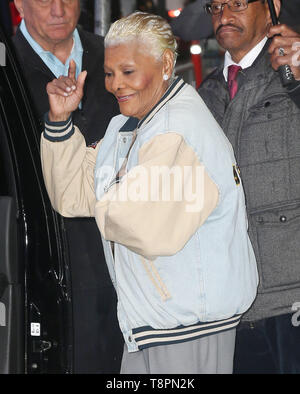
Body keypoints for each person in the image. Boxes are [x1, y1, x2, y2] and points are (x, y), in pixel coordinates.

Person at [40, 11, 258, 374]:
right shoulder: (127, 125)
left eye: (128, 72)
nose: (115, 85)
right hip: (152, 324)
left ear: (166, 64)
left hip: (187, 329)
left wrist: (112, 192)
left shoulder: (177, 125)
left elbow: (142, 225)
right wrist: (61, 121)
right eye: (109, 73)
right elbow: (73, 195)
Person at [12, 0, 123, 373]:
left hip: (129, 261)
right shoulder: (6, 68)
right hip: (43, 269)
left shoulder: (117, 55)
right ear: (18, 4)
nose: (58, 9)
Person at [198, 0, 300, 373]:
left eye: (236, 3)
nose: (223, 15)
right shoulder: (202, 94)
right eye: (215, 5)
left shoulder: (292, 69)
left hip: (292, 296)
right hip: (233, 305)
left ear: (272, 7)